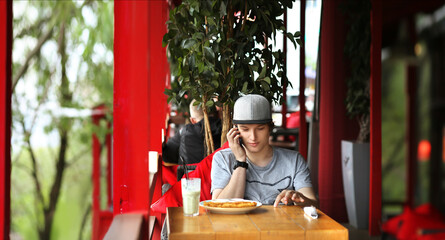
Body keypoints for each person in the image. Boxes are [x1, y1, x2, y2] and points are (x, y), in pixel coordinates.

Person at [210, 94, 318, 207]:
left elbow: (314, 205)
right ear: (235, 130)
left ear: (270, 128)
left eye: (260, 128)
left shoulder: (294, 160)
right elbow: (219, 206)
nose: (253, 137)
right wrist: (241, 161)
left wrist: (298, 198)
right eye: (245, 129)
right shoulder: (222, 158)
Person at [162, 99, 222, 169]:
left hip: (192, 178)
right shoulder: (227, 129)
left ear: (192, 120)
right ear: (217, 113)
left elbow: (167, 156)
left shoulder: (185, 131)